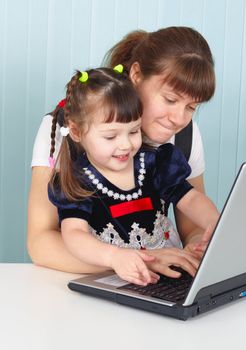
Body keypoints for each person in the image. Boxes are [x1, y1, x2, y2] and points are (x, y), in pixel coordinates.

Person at [28, 26, 216, 277]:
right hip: (95, 280)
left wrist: (199, 244)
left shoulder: (172, 148)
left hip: (161, 275)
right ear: (136, 74)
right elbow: (41, 244)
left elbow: (191, 216)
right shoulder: (64, 129)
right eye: (170, 99)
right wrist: (136, 261)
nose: (179, 118)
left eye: (192, 106)